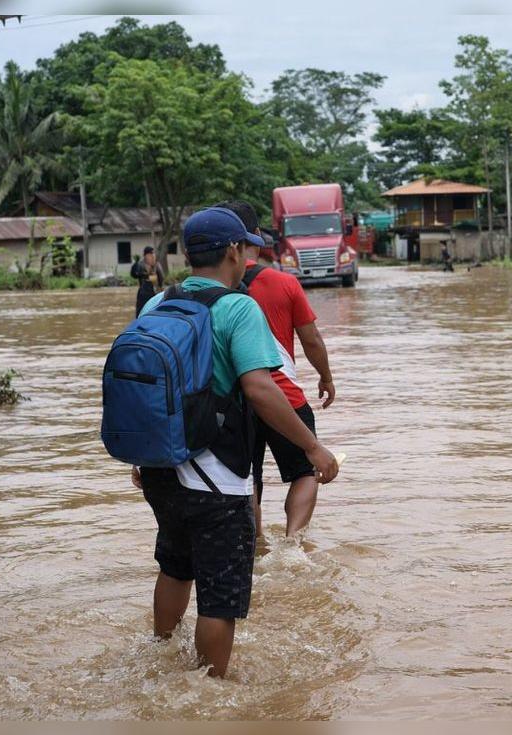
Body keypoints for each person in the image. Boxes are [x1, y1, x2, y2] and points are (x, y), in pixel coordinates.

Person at [131, 207, 339, 678]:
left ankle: (161, 652)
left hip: (161, 469)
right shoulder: (236, 306)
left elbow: (144, 385)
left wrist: (145, 456)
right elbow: (261, 388)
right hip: (217, 477)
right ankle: (211, 692)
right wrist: (312, 448)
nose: (247, 255)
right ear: (232, 251)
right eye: (244, 247)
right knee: (220, 596)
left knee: (175, 565)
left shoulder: (155, 303)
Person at [213, 200, 335, 538]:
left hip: (235, 401)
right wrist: (326, 377)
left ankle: (255, 545)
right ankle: (293, 542)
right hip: (284, 397)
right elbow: (311, 339)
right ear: (255, 237)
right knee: (306, 472)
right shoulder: (284, 284)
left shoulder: (208, 289)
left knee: (245, 479)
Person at [131, 245, 166, 316]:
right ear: (145, 256)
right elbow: (134, 274)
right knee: (142, 314)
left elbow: (161, 280)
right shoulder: (140, 265)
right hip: (143, 294)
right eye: (150, 255)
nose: (153, 256)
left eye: (153, 254)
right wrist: (135, 264)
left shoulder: (157, 265)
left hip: (156, 293)